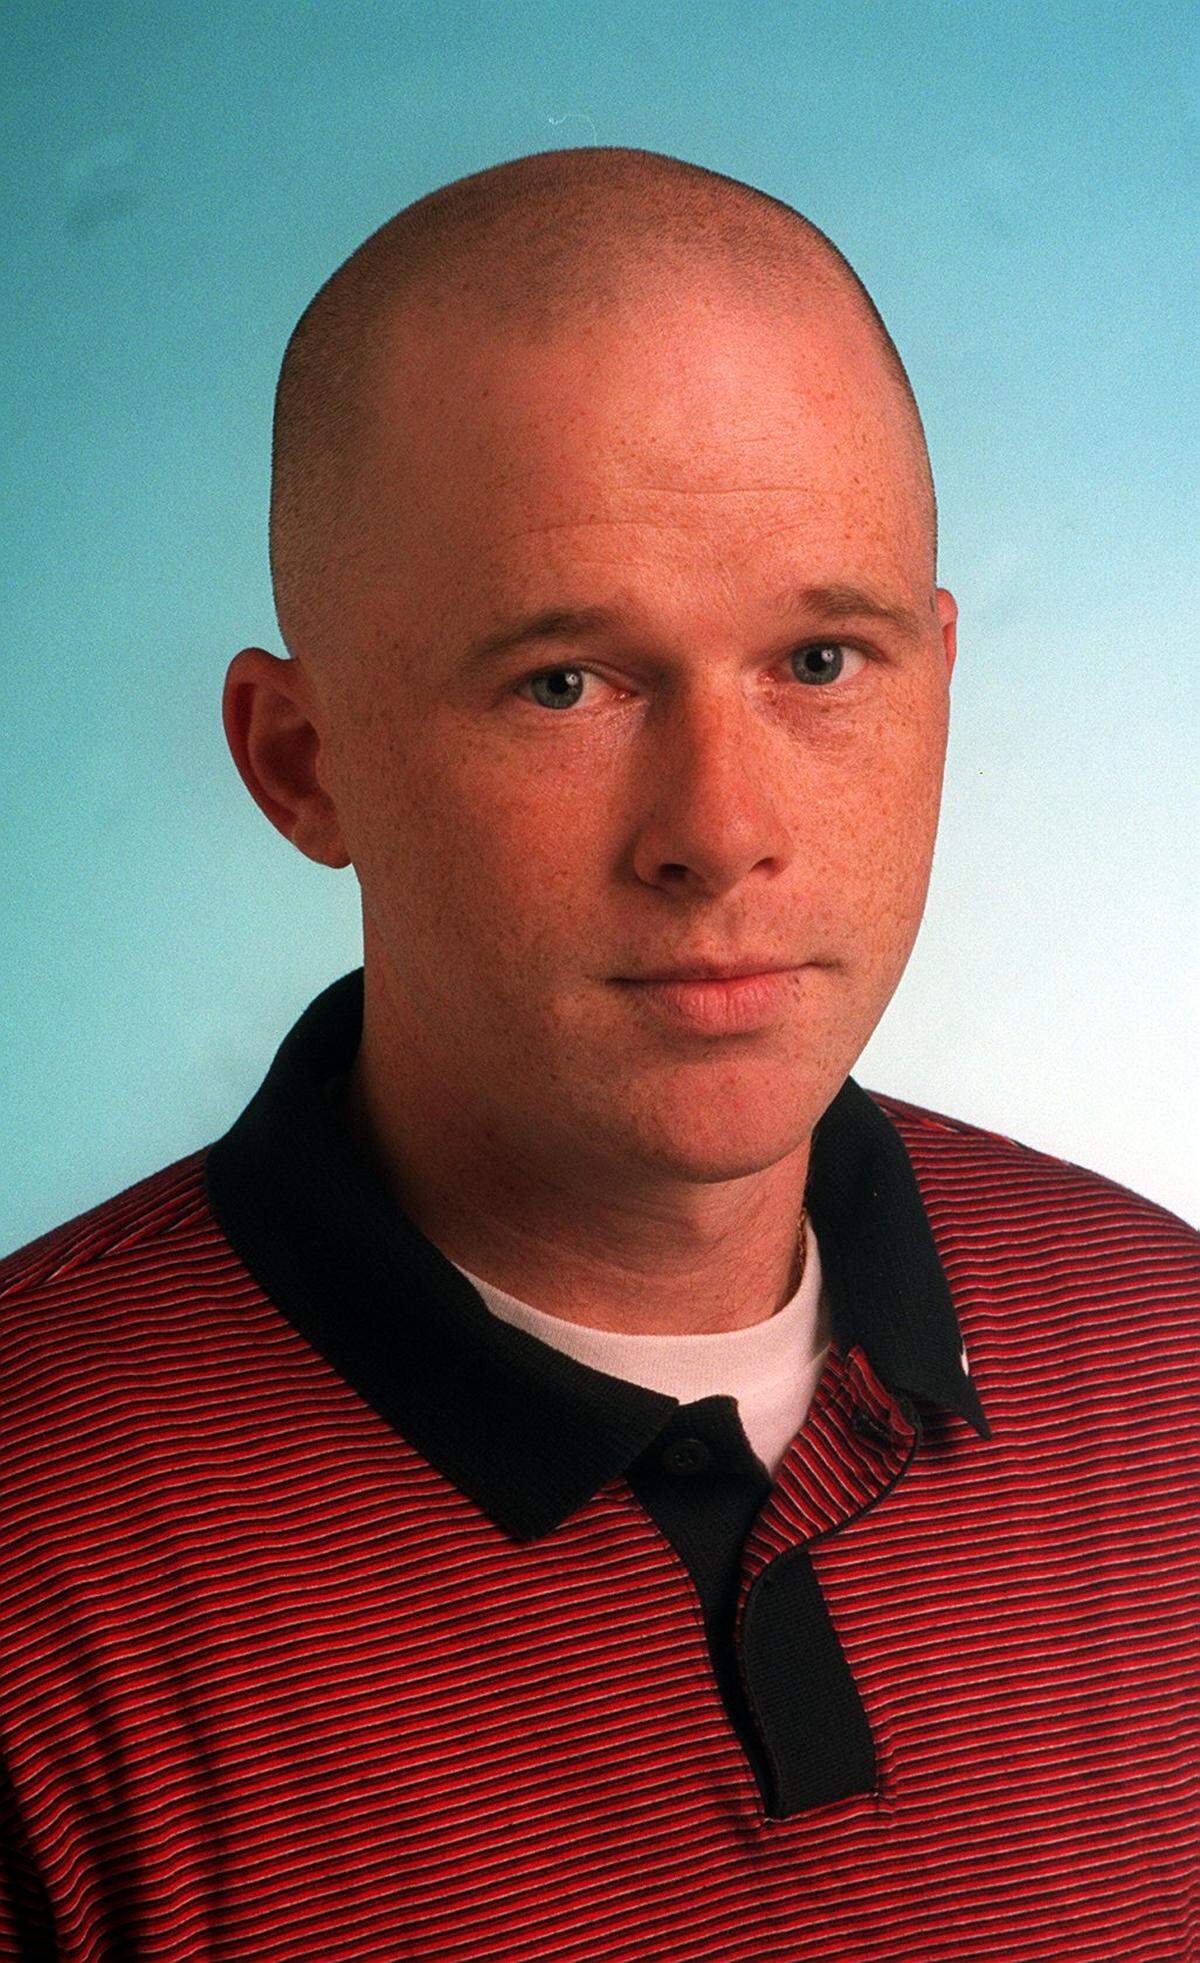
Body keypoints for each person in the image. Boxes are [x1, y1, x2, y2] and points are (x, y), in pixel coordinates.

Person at [1, 147, 1195, 1963]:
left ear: (939, 681)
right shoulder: (34, 1553)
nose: (719, 833)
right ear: (300, 762)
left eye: (820, 657)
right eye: (567, 683)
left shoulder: (1167, 1348)